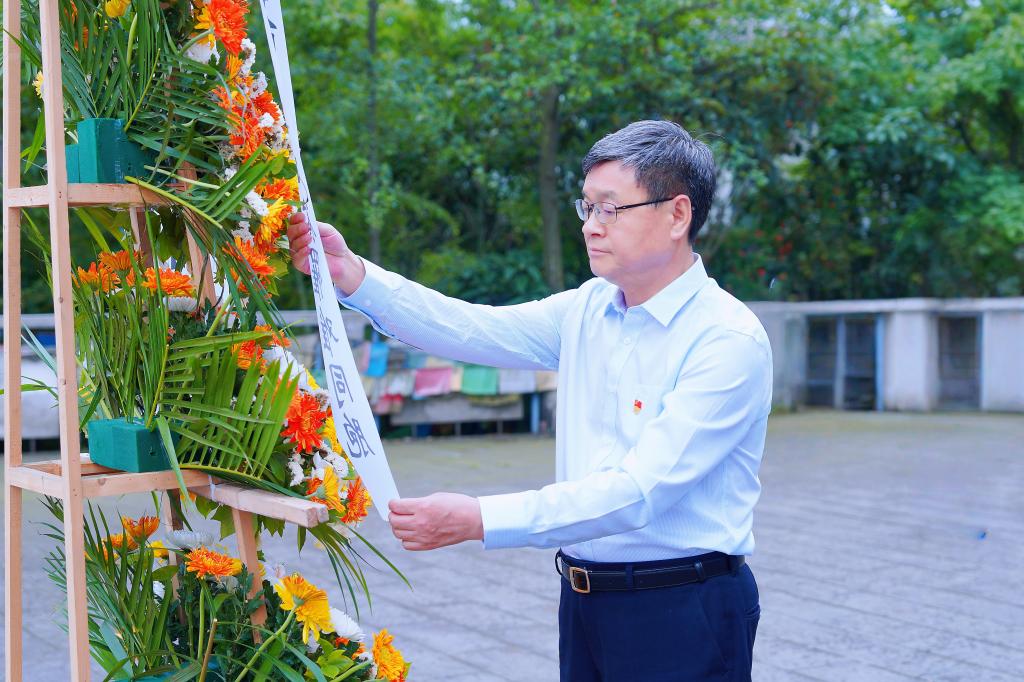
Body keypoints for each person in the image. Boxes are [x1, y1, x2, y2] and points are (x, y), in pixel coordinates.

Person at [287, 120, 771, 681]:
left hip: (683, 609)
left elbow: (638, 491)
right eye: (586, 207)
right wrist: (354, 276)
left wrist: (479, 518)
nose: (591, 226)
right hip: (585, 600)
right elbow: (471, 327)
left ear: (677, 214)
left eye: (610, 208)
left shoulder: (725, 340)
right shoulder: (588, 308)